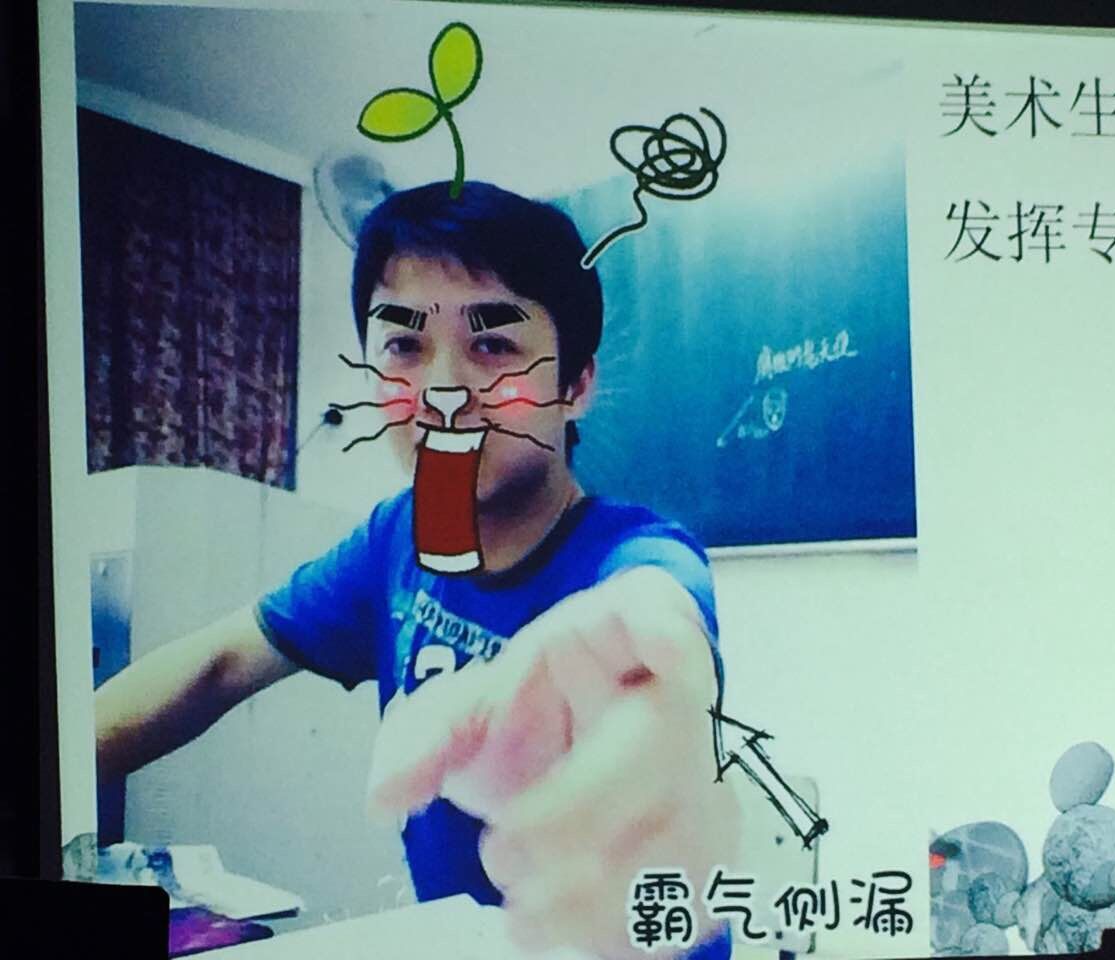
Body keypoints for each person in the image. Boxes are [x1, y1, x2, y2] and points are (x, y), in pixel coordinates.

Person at [95, 181, 742, 960]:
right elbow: (219, 662)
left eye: (493, 345)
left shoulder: (628, 554)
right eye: (405, 345)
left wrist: (665, 677)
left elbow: (659, 612)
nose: (442, 392)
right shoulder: (396, 537)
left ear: (575, 385)